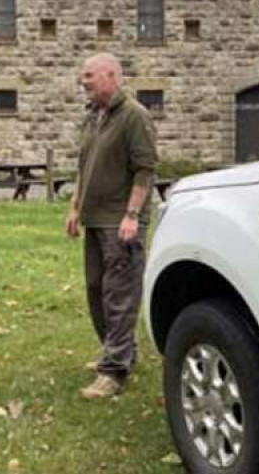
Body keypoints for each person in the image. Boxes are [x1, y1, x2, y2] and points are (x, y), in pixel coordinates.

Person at [65, 53, 158, 399]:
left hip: (121, 223)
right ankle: (116, 350)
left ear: (111, 75)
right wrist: (75, 207)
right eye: (83, 76)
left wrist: (132, 215)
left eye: (89, 75)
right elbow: (83, 165)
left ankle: (113, 371)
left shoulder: (134, 115)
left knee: (119, 295)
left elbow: (144, 170)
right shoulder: (94, 116)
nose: (83, 81)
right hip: (95, 219)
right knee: (96, 290)